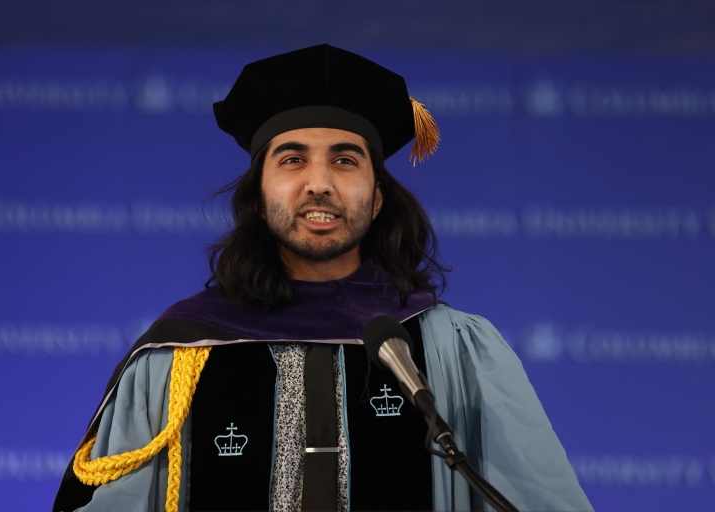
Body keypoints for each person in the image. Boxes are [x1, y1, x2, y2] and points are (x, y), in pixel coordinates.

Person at [53, 44, 592, 512]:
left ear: (377, 198)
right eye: (292, 160)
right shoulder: (179, 354)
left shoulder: (450, 348)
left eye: (344, 160)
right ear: (260, 200)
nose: (319, 184)